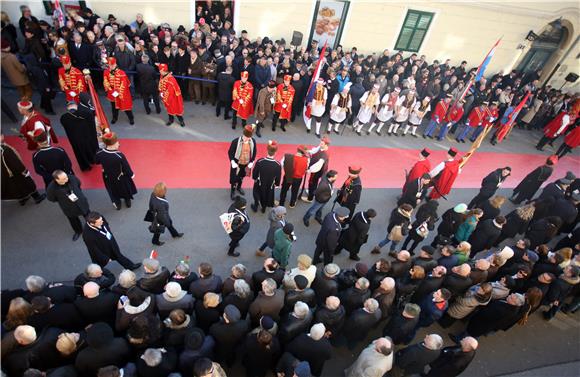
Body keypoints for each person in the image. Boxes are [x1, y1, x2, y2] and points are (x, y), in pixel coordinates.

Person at [95, 132, 137, 210]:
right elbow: (126, 167)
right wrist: (131, 174)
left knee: (112, 190)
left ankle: (117, 202)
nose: (118, 143)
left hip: (107, 176)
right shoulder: (119, 155)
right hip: (120, 176)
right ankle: (127, 199)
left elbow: (97, 162)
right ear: (113, 144)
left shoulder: (99, 153)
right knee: (124, 188)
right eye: (117, 142)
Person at [1, 135, 46, 206]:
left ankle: (22, 199)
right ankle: (37, 197)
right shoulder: (5, 150)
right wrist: (24, 171)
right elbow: (15, 163)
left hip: (5, 173)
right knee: (27, 183)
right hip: (14, 171)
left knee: (15, 186)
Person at [46, 170, 90, 240]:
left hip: (80, 201)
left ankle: (91, 225)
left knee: (87, 214)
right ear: (56, 180)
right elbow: (51, 198)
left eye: (66, 177)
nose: (66, 179)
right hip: (68, 206)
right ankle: (78, 231)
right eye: (63, 179)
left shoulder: (71, 178)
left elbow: (78, 184)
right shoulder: (51, 188)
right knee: (73, 219)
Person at [148, 182, 184, 246]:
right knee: (160, 228)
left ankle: (174, 234)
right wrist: (167, 223)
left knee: (164, 225)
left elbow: (150, 204)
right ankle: (155, 240)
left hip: (156, 214)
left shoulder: (153, 194)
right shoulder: (160, 204)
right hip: (160, 217)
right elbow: (163, 216)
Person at [251, 140, 281, 213]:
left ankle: (255, 206)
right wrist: (277, 184)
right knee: (266, 196)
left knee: (256, 194)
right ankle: (263, 209)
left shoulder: (260, 161)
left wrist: (254, 178)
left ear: (267, 151)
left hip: (259, 183)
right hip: (270, 185)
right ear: (275, 152)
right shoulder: (278, 165)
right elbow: (278, 177)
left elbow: (255, 172)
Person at [228, 125, 257, 200]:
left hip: (246, 163)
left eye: (248, 138)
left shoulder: (252, 141)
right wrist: (232, 161)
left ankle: (239, 187)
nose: (246, 139)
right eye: (245, 137)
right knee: (234, 178)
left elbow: (254, 152)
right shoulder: (235, 141)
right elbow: (230, 152)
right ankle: (233, 190)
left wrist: (252, 161)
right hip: (237, 163)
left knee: (242, 176)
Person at [103, 57, 134, 124]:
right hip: (112, 93)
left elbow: (124, 84)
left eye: (112, 65)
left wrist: (118, 92)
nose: (110, 66)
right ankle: (115, 118)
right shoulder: (106, 72)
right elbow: (106, 81)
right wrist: (111, 91)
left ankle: (131, 118)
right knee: (113, 107)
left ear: (115, 64)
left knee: (126, 107)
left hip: (121, 93)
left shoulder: (121, 72)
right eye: (109, 65)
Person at [304, 137, 331, 203]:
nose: (320, 144)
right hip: (318, 170)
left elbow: (318, 166)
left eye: (322, 143)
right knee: (314, 182)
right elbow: (315, 150)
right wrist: (308, 151)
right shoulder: (321, 147)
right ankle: (312, 192)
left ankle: (310, 198)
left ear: (326, 145)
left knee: (312, 182)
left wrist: (309, 170)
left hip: (317, 171)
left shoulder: (325, 154)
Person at [158, 62, 185, 127]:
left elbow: (170, 92)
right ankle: (171, 120)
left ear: (163, 71)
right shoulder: (162, 76)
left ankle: (181, 121)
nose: (159, 71)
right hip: (166, 97)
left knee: (176, 110)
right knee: (169, 110)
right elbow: (161, 85)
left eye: (160, 70)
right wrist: (161, 93)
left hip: (173, 98)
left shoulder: (171, 80)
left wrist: (165, 99)